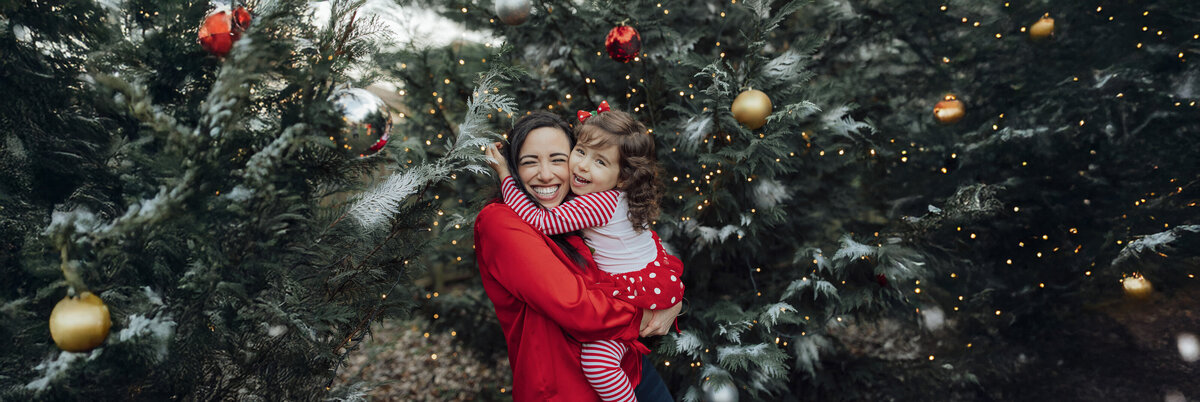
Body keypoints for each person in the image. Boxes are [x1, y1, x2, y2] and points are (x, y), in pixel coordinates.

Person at [474, 111, 680, 402]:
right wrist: (650, 312)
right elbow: (577, 306)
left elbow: (642, 248)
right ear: (512, 167)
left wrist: (673, 299)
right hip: (570, 388)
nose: (546, 174)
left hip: (627, 369)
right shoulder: (500, 221)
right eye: (529, 161)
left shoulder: (582, 205)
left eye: (558, 159)